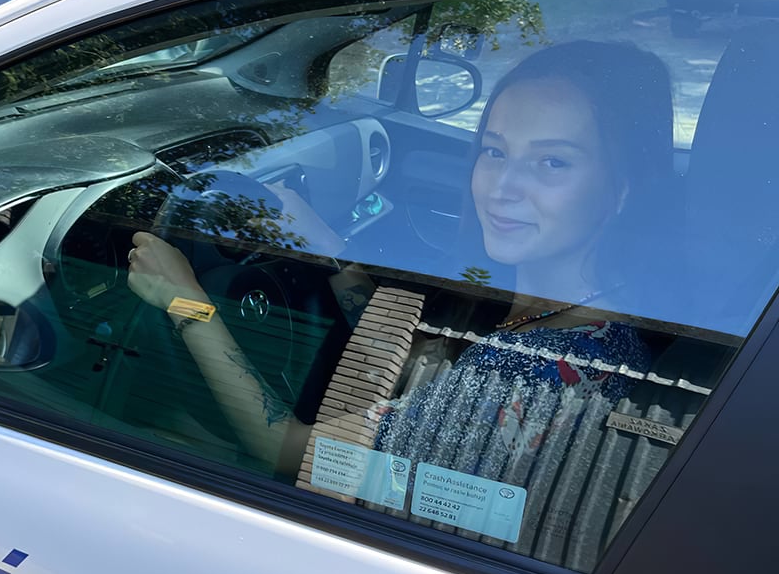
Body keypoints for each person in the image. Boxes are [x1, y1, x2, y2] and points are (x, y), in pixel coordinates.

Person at [126, 40, 676, 479]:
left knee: (159, 432)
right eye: (494, 151)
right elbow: (406, 365)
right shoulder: (597, 319)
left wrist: (187, 302)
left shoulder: (528, 371)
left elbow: (290, 452)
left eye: (553, 162)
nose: (502, 187)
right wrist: (330, 253)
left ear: (621, 188)